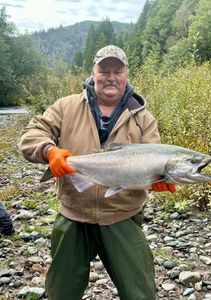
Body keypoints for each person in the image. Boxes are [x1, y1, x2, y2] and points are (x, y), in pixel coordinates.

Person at [18, 45, 176, 300]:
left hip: (122, 216)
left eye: (117, 71)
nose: (110, 77)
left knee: (141, 294)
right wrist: (49, 151)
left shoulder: (144, 119)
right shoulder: (65, 107)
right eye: (104, 70)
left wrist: (157, 178)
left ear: (126, 75)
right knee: (61, 293)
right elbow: (30, 135)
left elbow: (154, 159)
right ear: (93, 73)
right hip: (73, 215)